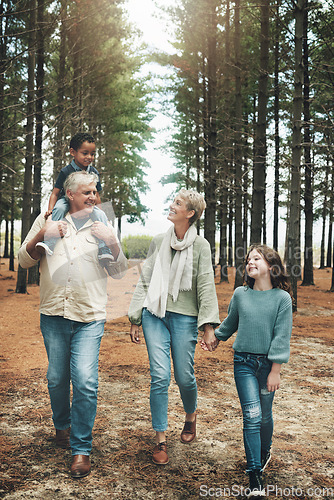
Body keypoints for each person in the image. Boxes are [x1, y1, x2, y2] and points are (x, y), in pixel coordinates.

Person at [18, 171, 127, 479]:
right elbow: (24, 259)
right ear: (69, 194)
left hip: (89, 316)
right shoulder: (48, 218)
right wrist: (44, 234)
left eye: (95, 191)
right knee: (56, 378)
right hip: (52, 314)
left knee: (85, 380)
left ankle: (81, 449)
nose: (93, 196)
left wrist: (112, 243)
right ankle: (62, 426)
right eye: (86, 192)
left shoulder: (104, 226)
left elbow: (118, 271)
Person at [128, 189, 220, 465]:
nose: (171, 205)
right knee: (159, 375)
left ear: (190, 213)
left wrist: (208, 326)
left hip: (184, 318)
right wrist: (135, 316)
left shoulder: (201, 246)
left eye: (177, 203)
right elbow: (145, 279)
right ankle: (161, 439)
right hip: (154, 315)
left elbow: (205, 284)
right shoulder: (159, 241)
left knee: (184, 376)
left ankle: (190, 416)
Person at [202, 244, 293, 497]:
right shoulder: (240, 294)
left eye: (256, 258)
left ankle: (265, 451)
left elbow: (281, 337)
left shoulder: (282, 299)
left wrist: (275, 370)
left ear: (271, 266)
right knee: (252, 416)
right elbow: (230, 323)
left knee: (264, 415)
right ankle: (255, 476)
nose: (250, 262)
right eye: (248, 259)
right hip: (243, 363)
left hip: (267, 366)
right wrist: (214, 338)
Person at [36, 132, 113, 270]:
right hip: (65, 200)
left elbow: (97, 195)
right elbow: (55, 193)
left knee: (101, 216)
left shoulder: (94, 172)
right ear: (73, 152)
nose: (89, 157)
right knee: (58, 210)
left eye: (92, 154)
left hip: (87, 203)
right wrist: (50, 209)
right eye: (85, 153)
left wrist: (103, 213)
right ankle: (50, 242)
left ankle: (104, 250)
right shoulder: (66, 171)